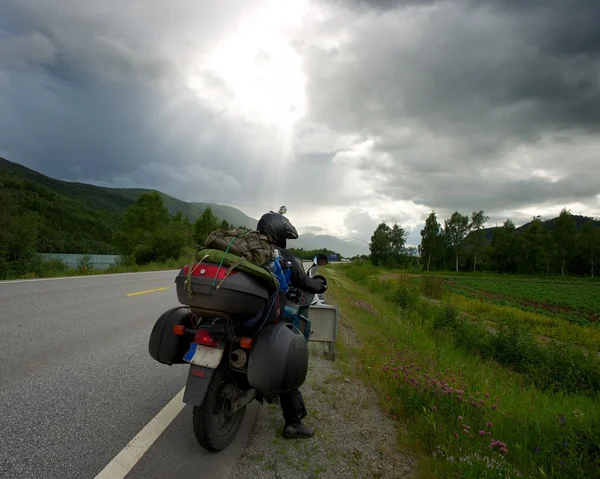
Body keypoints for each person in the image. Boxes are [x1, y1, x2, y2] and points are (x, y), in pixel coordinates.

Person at [256, 210, 327, 439]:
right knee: (285, 356)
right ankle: (293, 423)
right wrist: (320, 284)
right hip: (266, 317)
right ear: (278, 233)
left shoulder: (249, 251)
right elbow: (303, 281)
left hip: (243, 317)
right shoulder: (281, 254)